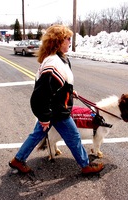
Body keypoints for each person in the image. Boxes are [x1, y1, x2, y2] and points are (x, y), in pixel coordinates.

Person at [9, 24, 104, 175]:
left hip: (54, 108)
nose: (69, 41)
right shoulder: (54, 63)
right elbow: (41, 95)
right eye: (67, 39)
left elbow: (57, 87)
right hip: (56, 111)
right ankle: (86, 166)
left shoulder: (60, 59)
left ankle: (18, 160)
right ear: (58, 41)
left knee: (36, 136)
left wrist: (69, 91)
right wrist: (45, 117)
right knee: (73, 137)